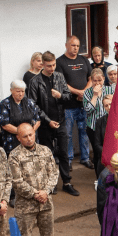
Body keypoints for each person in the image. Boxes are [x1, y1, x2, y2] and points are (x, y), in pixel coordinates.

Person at [28, 52, 75, 194]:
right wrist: (47, 121)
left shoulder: (59, 76)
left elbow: (69, 97)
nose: (52, 68)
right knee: (47, 156)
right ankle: (51, 183)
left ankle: (67, 182)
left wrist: (60, 96)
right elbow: (33, 105)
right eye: (49, 66)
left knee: (64, 153)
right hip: (45, 124)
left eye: (54, 65)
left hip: (61, 121)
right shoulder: (35, 81)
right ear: (42, 64)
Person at [57, 36, 93, 169]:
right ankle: (69, 159)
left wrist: (84, 92)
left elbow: (91, 78)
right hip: (68, 106)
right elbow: (61, 83)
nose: (75, 48)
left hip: (83, 103)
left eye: (78, 46)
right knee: (68, 134)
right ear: (66, 45)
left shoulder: (83, 59)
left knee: (84, 132)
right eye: (73, 45)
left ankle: (85, 158)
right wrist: (77, 92)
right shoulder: (60, 62)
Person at [0, 80, 41, 154]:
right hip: (13, 140)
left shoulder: (29, 102)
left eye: (23, 91)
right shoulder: (5, 104)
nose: (21, 94)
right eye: (18, 91)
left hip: (30, 139)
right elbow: (5, 124)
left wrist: (30, 132)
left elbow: (37, 120)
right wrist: (22, 133)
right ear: (11, 90)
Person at [82, 69, 113, 165]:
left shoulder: (110, 90)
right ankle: (99, 176)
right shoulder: (87, 93)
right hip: (93, 127)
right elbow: (88, 110)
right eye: (95, 80)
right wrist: (95, 95)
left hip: (109, 125)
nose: (97, 83)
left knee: (111, 149)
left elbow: (115, 107)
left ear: (104, 79)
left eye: (99, 80)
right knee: (97, 152)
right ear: (91, 80)